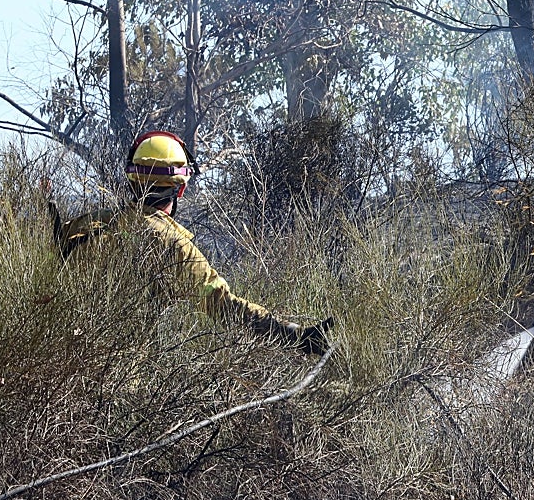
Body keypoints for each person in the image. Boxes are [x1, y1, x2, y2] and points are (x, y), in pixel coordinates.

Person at [52, 130, 333, 355]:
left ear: (132, 180)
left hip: (58, 365)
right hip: (122, 374)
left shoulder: (86, 224)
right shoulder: (174, 246)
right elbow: (222, 306)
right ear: (181, 188)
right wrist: (294, 335)